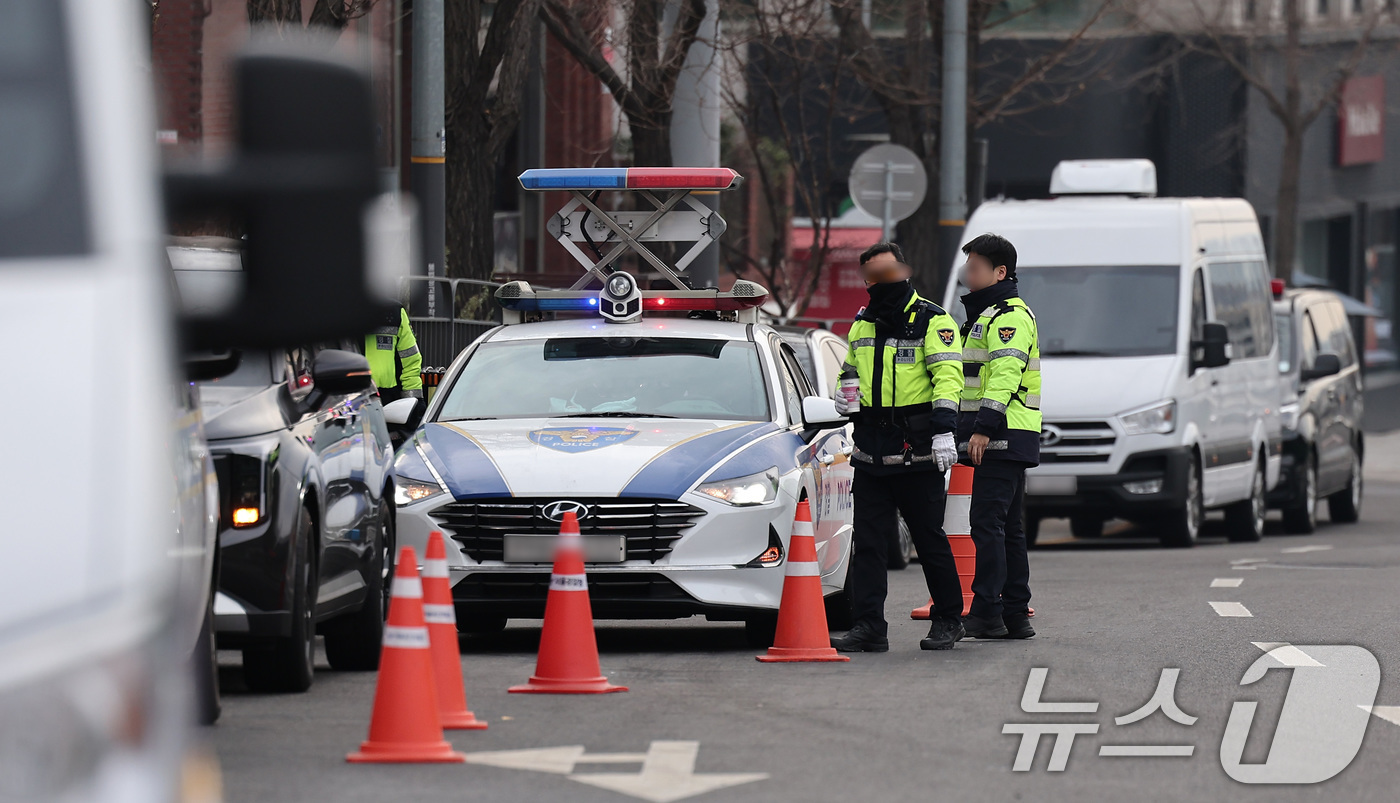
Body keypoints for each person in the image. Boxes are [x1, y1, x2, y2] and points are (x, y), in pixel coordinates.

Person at [830, 243, 966, 652]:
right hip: (870, 451)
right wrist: (842, 394)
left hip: (917, 450)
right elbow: (849, 371)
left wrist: (944, 431)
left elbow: (948, 378)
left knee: (928, 539)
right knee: (869, 544)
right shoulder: (862, 324)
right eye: (872, 276)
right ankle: (869, 626)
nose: (879, 283)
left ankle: (948, 619)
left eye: (887, 273)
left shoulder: (932, 320)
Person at [956, 233, 1040, 640]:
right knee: (1007, 526)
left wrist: (983, 428)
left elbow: (1005, 373)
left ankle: (988, 610)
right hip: (1007, 434)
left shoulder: (1007, 316)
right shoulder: (989, 314)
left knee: (987, 524)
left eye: (974, 267)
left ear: (1000, 272)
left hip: (1001, 434)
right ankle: (1014, 614)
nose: (967, 274)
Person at [366, 306, 424, 405]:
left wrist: (413, 404)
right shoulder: (335, 309)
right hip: (343, 399)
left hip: (387, 402)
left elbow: (410, 363)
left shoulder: (395, 311)